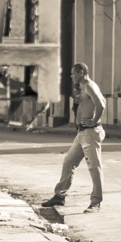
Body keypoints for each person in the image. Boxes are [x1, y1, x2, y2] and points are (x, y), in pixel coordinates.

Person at [42, 63, 106, 213]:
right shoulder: (83, 88)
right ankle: (59, 196)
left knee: (94, 168)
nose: (71, 76)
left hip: (90, 132)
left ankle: (96, 203)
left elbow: (101, 104)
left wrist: (94, 121)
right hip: (82, 133)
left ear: (82, 72)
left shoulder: (89, 85)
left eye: (73, 73)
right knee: (69, 162)